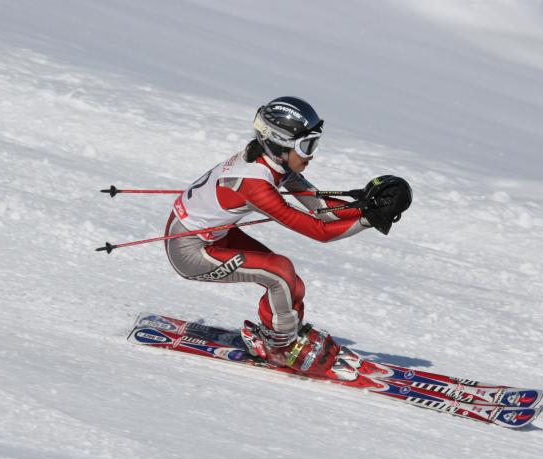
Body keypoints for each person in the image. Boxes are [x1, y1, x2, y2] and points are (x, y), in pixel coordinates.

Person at [164, 96, 411, 378]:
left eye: (314, 144)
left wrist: (366, 204)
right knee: (280, 273)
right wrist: (369, 219)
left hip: (215, 236)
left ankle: (278, 335)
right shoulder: (255, 184)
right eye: (307, 146)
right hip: (189, 250)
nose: (312, 155)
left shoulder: (275, 164)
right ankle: (280, 347)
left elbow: (322, 209)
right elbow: (319, 231)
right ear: (280, 144)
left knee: (293, 284)